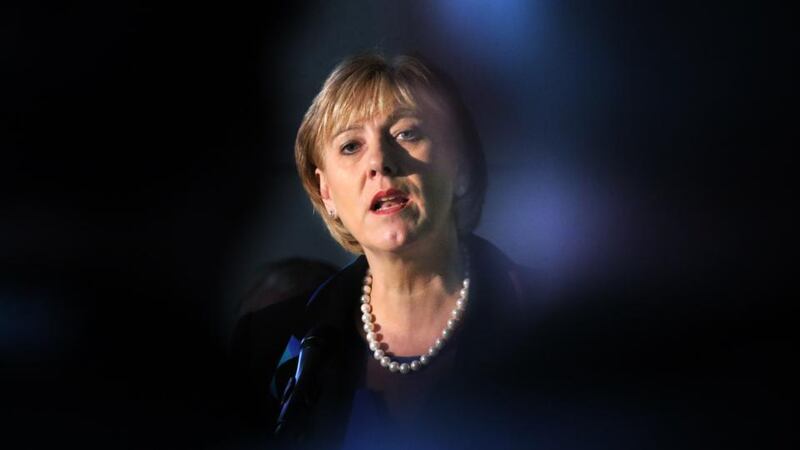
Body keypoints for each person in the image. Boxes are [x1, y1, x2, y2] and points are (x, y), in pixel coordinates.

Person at [231, 52, 537, 449]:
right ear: (326, 192)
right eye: (350, 146)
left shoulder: (549, 322)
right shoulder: (268, 344)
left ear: (460, 165)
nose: (379, 161)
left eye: (407, 133)